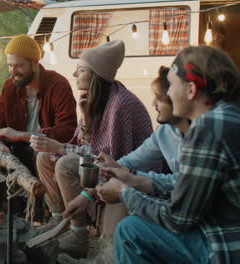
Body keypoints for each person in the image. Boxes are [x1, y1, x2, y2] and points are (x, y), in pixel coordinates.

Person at [97, 46, 240, 264]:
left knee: (131, 230)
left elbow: (178, 219)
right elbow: (185, 184)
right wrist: (132, 179)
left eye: (172, 85)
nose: (169, 93)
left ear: (191, 90)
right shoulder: (228, 116)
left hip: (225, 247)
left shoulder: (209, 128)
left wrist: (125, 192)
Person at [29, 40, 153, 259]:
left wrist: (59, 146)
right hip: (107, 164)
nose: (75, 74)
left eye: (81, 69)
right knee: (44, 157)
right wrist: (85, 119)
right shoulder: (94, 98)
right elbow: (86, 146)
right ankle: (59, 220)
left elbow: (111, 159)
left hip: (131, 176)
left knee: (65, 163)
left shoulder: (120, 104)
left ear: (96, 74)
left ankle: (79, 234)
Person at [57, 66, 190, 263]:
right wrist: (87, 194)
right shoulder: (165, 132)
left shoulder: (205, 136)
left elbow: (180, 184)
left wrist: (129, 177)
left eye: (160, 97)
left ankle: (105, 257)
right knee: (109, 176)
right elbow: (125, 161)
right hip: (171, 198)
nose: (153, 103)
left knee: (121, 193)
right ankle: (93, 247)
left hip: (187, 212)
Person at [0, 34, 77, 175]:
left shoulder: (58, 85)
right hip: (17, 151)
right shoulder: (9, 87)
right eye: (10, 65)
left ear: (35, 64)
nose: (13, 72)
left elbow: (66, 132)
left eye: (19, 66)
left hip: (48, 155)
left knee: (40, 156)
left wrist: (20, 135)